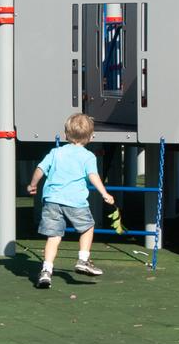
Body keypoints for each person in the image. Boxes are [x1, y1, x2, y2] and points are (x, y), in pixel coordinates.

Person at [24, 113, 116, 290]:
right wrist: (104, 193)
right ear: (90, 137)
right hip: (75, 201)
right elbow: (93, 176)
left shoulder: (55, 152)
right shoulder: (88, 156)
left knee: (54, 236)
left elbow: (40, 168)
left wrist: (32, 185)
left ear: (66, 134)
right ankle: (83, 259)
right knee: (87, 227)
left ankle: (46, 271)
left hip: (52, 200)